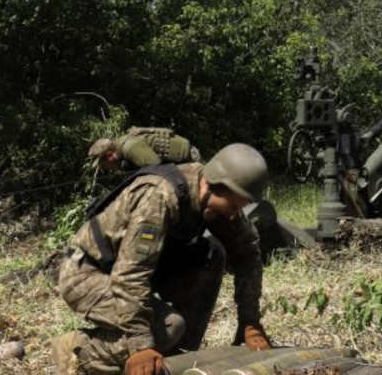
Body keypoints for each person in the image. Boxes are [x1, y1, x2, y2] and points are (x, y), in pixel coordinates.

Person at [51, 143, 274, 375]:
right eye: (232, 206)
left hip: (138, 268)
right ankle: (77, 350)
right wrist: (140, 344)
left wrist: (250, 321)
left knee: (211, 257)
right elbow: (130, 274)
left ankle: (177, 361)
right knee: (168, 327)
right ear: (212, 185)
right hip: (87, 272)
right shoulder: (160, 196)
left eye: (239, 208)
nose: (232, 215)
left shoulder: (217, 200)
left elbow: (247, 253)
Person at [88, 126, 200, 172]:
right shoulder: (121, 146)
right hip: (179, 162)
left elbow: (158, 170)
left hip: (188, 158)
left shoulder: (130, 148)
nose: (108, 168)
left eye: (104, 164)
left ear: (109, 156)